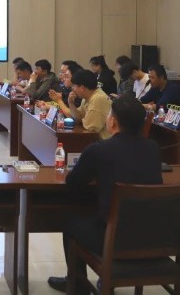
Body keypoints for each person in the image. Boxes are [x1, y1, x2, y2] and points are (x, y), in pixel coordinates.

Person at [47, 94, 163, 292]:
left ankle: (78, 284)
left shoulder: (99, 149)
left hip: (113, 238)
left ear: (113, 122)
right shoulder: (153, 148)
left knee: (71, 222)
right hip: (152, 236)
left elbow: (73, 183)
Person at [50, 70, 111, 139]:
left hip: (102, 141)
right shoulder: (87, 97)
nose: (72, 89)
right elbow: (77, 119)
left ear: (82, 88)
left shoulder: (98, 99)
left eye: (74, 86)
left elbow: (90, 129)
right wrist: (71, 103)